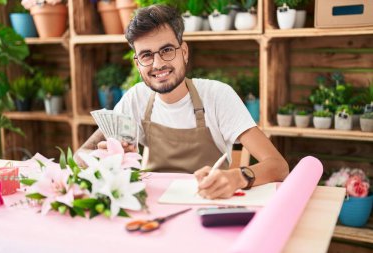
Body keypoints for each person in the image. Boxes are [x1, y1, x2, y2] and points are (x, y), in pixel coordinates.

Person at [76, 4, 289, 199]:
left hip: (210, 204)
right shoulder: (135, 99)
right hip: (153, 206)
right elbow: (81, 154)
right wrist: (101, 160)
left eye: (167, 50)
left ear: (184, 52)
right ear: (138, 64)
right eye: (146, 55)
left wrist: (237, 177)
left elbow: (278, 166)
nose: (158, 64)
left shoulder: (217, 96)